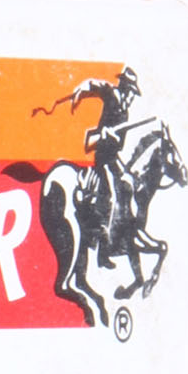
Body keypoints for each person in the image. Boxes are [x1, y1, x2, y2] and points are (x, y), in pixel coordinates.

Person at [69, 67, 140, 264]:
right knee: (111, 196)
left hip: (113, 156)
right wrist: (81, 90)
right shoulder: (112, 95)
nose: (132, 97)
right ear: (125, 87)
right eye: (131, 92)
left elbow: (120, 143)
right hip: (102, 155)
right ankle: (103, 250)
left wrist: (114, 137)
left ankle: (122, 236)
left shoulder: (125, 112)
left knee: (128, 184)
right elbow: (96, 85)